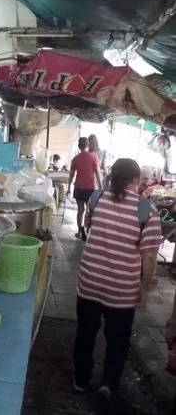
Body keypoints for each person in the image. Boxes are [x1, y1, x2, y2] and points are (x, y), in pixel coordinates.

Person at [73, 159, 160, 402]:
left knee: (85, 334)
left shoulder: (96, 198)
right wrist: (145, 289)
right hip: (121, 290)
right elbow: (149, 257)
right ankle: (108, 384)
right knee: (117, 340)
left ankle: (80, 381)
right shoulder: (147, 211)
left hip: (89, 281)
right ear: (136, 180)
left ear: (112, 176)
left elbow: (89, 226)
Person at [67, 137, 102, 241]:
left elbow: (71, 175)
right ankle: (88, 231)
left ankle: (79, 231)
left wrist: (68, 188)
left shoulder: (75, 159)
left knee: (80, 210)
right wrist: (101, 186)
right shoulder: (93, 157)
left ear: (79, 146)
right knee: (90, 211)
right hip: (90, 188)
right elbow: (97, 173)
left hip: (78, 187)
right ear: (88, 145)